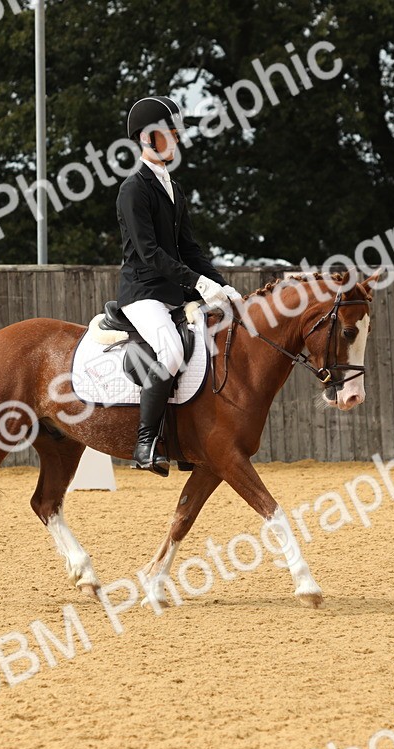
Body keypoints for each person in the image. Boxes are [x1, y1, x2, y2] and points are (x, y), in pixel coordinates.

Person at [116, 95, 243, 475]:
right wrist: (198, 284)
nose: (175, 140)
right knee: (170, 352)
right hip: (143, 292)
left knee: (210, 346)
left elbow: (190, 248)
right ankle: (144, 444)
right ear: (147, 138)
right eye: (168, 134)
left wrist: (224, 286)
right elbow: (151, 253)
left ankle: (187, 441)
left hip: (175, 292)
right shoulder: (133, 190)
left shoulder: (174, 187)